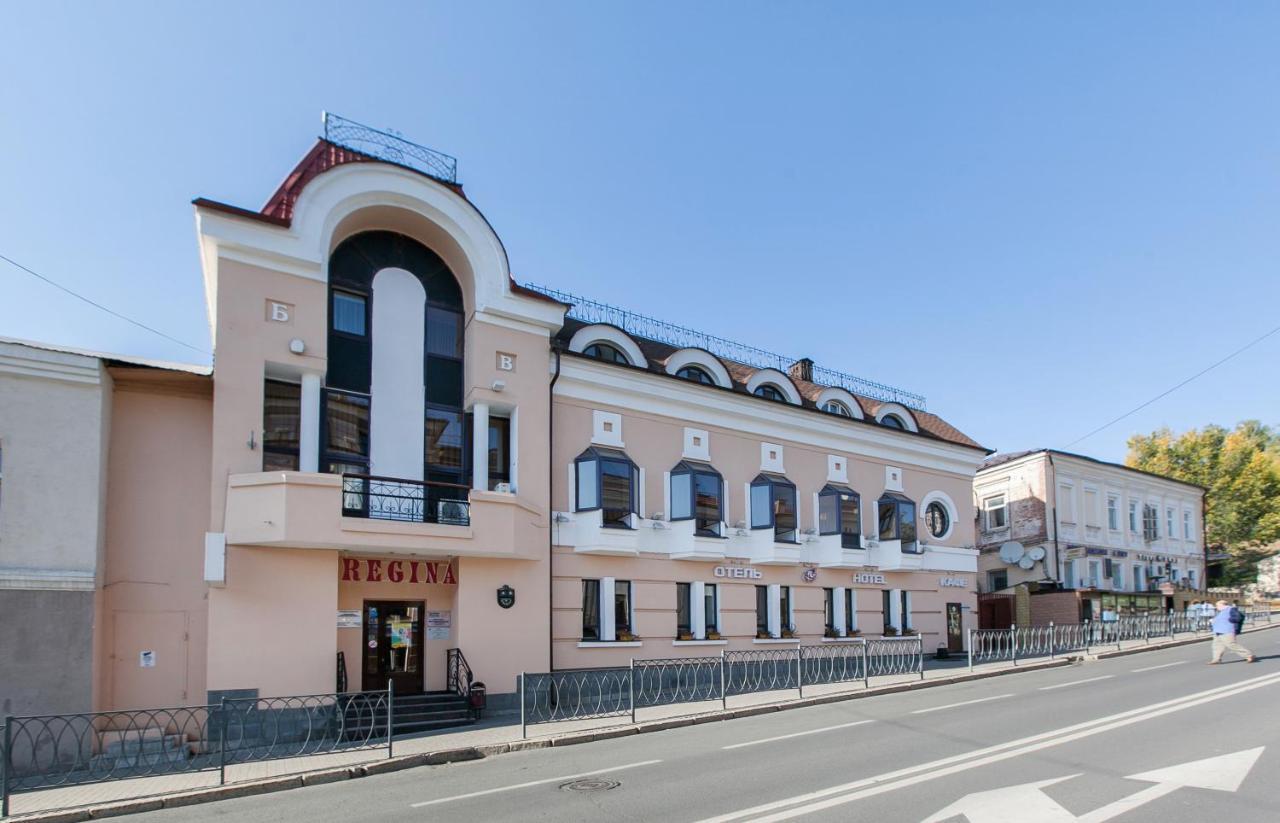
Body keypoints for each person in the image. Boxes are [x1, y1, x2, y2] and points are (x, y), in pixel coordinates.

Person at [1208, 599, 1255, 664]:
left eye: (1217, 605)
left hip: (1227, 631)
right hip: (1218, 631)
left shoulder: (1231, 609)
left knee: (1231, 645)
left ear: (1222, 605)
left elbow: (1238, 617)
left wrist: (1230, 620)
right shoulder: (1221, 611)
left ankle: (1249, 655)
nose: (1216, 607)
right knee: (1216, 646)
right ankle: (1216, 659)